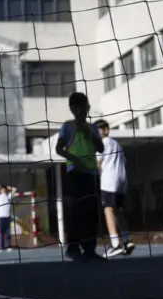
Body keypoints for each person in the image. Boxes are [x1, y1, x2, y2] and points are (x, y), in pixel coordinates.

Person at [54, 92, 104, 262]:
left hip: (92, 173)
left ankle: (90, 249)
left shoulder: (93, 128)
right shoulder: (68, 127)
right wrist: (74, 159)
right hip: (75, 172)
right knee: (77, 211)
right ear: (73, 109)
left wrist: (91, 133)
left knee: (92, 212)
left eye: (86, 107)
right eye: (80, 108)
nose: (84, 110)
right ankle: (73, 248)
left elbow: (101, 148)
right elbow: (59, 149)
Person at [95, 120, 135, 259]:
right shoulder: (117, 144)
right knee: (118, 211)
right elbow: (124, 161)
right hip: (121, 181)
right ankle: (127, 239)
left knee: (108, 209)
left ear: (106, 130)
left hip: (109, 181)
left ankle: (115, 244)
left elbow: (97, 164)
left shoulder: (102, 144)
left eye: (98, 129)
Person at [0, 185, 17, 250]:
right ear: (0, 190)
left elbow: (15, 189)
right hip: (0, 217)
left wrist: (7, 187)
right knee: (1, 233)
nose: (3, 190)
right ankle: (1, 247)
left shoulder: (8, 196)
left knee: (8, 232)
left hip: (7, 216)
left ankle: (8, 246)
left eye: (4, 189)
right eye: (2, 189)